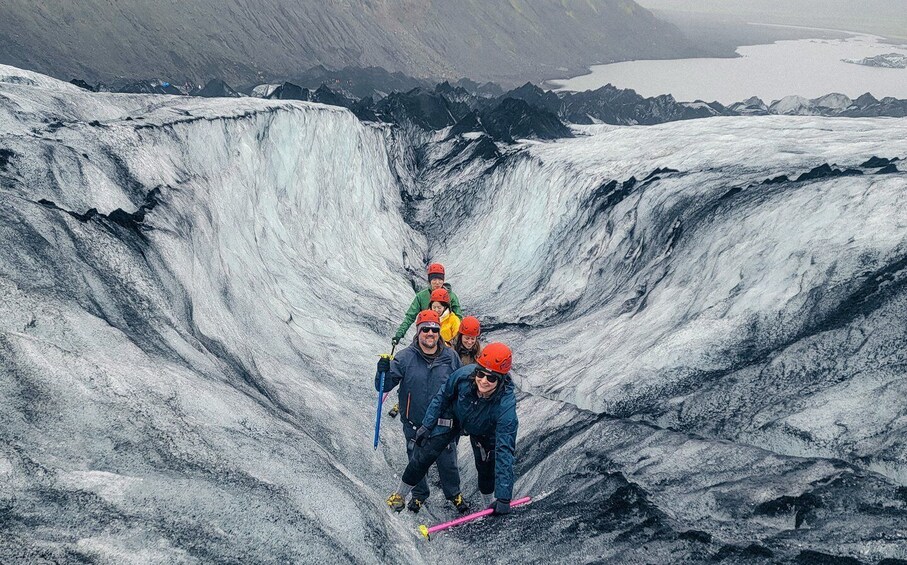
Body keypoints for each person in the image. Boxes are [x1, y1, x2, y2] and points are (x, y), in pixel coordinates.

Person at [385, 342, 518, 517]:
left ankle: (491, 505)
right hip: (455, 416)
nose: (484, 381)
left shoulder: (505, 406)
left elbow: (505, 450)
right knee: (425, 454)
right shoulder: (463, 375)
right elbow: (442, 397)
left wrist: (504, 498)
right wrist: (427, 425)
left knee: (486, 468)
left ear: (501, 380)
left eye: (491, 378)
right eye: (481, 373)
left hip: (485, 429)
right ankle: (399, 495)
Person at [376, 310, 469, 513]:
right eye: (425, 329)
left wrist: (462, 419)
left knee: (448, 463)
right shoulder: (404, 358)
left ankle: (454, 494)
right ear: (418, 332)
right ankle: (419, 495)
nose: (430, 333)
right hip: (415, 423)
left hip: (443, 423)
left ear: (439, 332)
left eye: (434, 329)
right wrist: (381, 371)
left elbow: (462, 388)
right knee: (416, 461)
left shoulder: (451, 357)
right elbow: (383, 387)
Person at [392, 263, 462, 347]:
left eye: (440, 280)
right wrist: (399, 335)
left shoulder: (451, 296)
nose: (437, 283)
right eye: (434, 279)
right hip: (426, 333)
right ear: (429, 280)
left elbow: (458, 318)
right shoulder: (421, 297)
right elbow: (410, 317)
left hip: (447, 338)